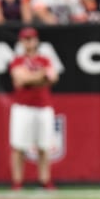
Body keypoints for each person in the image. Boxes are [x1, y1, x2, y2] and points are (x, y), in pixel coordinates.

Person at [8, 27, 59, 190]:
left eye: (31, 39)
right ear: (21, 41)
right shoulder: (17, 60)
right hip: (23, 107)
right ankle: (17, 181)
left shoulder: (45, 59)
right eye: (26, 39)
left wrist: (32, 78)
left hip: (43, 107)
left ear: (36, 40)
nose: (29, 42)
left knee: (44, 146)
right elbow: (20, 80)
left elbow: (53, 78)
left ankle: (45, 180)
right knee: (18, 146)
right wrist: (40, 76)